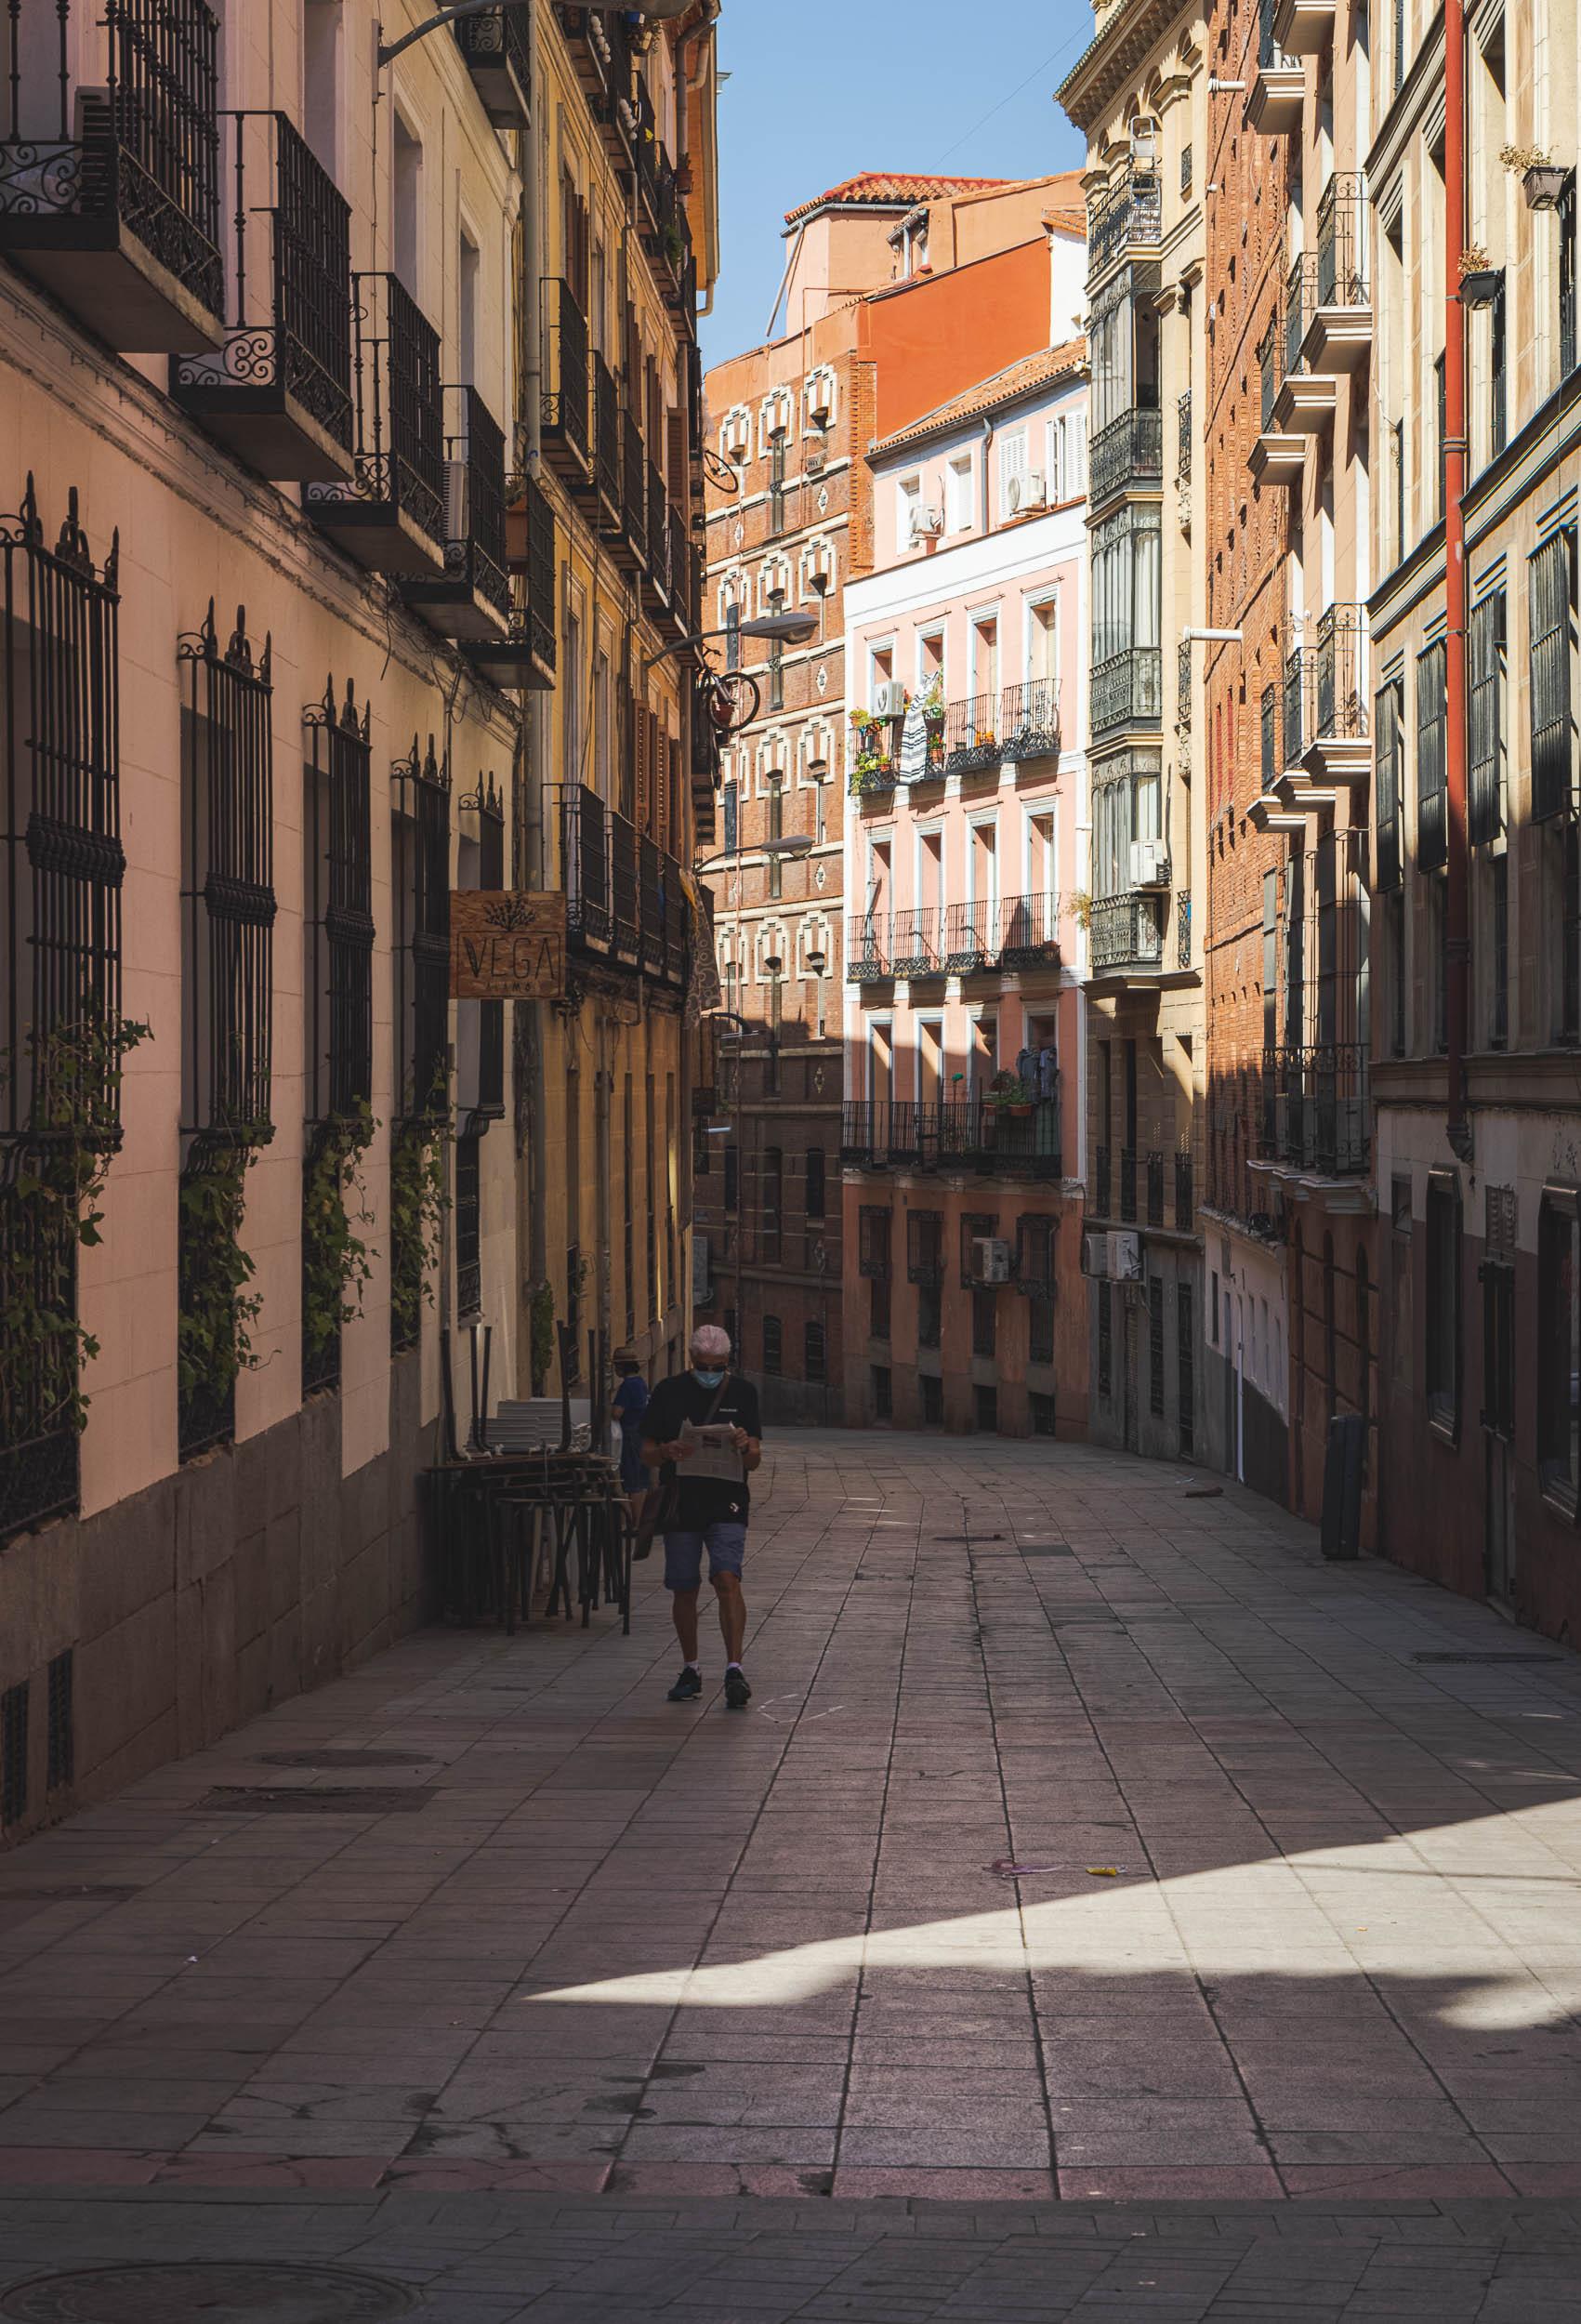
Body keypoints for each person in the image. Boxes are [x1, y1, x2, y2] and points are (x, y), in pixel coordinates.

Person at [640, 1325, 762, 1709]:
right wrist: (666, 1450)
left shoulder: (743, 1393)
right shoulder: (668, 1392)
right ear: (691, 1361)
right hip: (682, 1502)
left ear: (728, 1362)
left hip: (727, 1500)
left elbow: (755, 1459)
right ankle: (690, 1667)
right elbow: (645, 1451)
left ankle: (734, 1667)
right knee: (684, 1586)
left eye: (719, 1366)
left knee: (727, 1578)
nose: (711, 1372)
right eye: (704, 1365)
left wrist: (745, 1446)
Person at [611, 1349, 650, 1520]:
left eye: (616, 1366)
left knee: (633, 1481)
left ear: (622, 1367)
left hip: (630, 1434)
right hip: (642, 1433)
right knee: (640, 1481)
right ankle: (638, 1521)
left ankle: (635, 1523)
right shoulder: (641, 1382)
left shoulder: (627, 1386)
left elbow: (617, 1413)